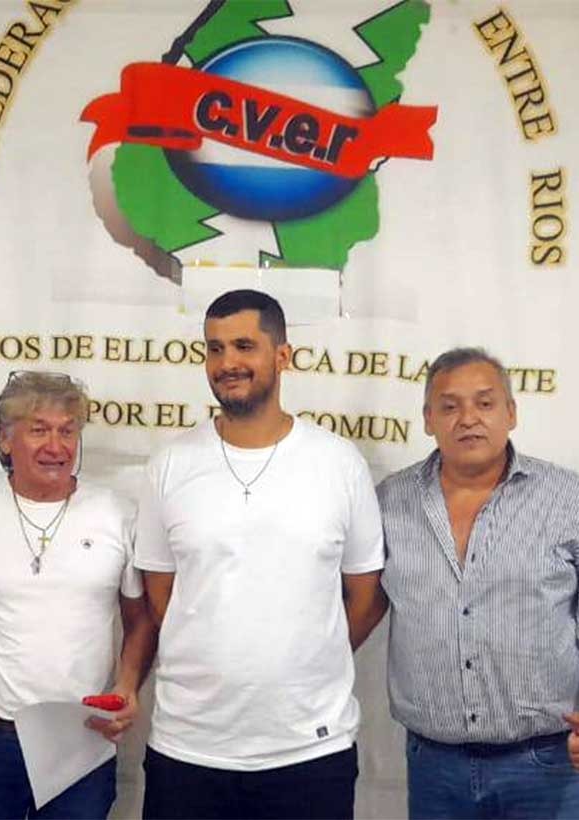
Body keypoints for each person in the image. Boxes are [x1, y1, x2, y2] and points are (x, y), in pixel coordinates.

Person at [134, 289, 387, 820]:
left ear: (282, 355)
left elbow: (367, 595)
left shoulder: (338, 464)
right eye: (215, 348)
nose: (227, 362)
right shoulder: (170, 466)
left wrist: (306, 658)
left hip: (309, 751)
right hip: (189, 748)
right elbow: (161, 599)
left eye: (244, 346)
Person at [376, 347, 579, 819]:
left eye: (485, 403)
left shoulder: (566, 497)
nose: (468, 419)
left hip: (545, 765)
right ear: (428, 419)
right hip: (434, 767)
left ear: (511, 413)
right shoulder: (389, 502)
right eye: (449, 406)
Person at [0, 371, 156, 819]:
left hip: (81, 737)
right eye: (39, 430)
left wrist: (128, 686)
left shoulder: (116, 513)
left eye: (67, 431)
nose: (56, 447)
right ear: (5, 440)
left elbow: (140, 620)